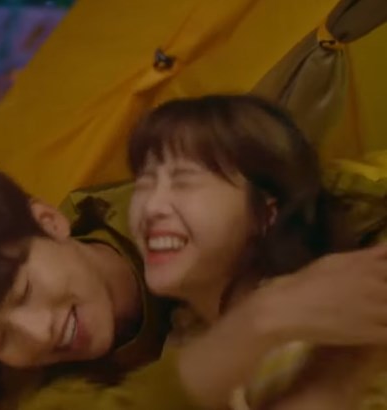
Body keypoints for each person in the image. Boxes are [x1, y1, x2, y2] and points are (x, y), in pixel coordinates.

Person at [0, 165, 387, 407]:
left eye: (24, 292)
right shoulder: (39, 388)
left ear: (49, 223)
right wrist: (261, 323)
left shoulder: (175, 205)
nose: (37, 334)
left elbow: (351, 209)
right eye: (0, 338)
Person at [125, 96, 387, 408]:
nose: (151, 207)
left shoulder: (308, 334)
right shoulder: (182, 334)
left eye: (184, 182)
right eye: (144, 184)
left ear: (265, 213)